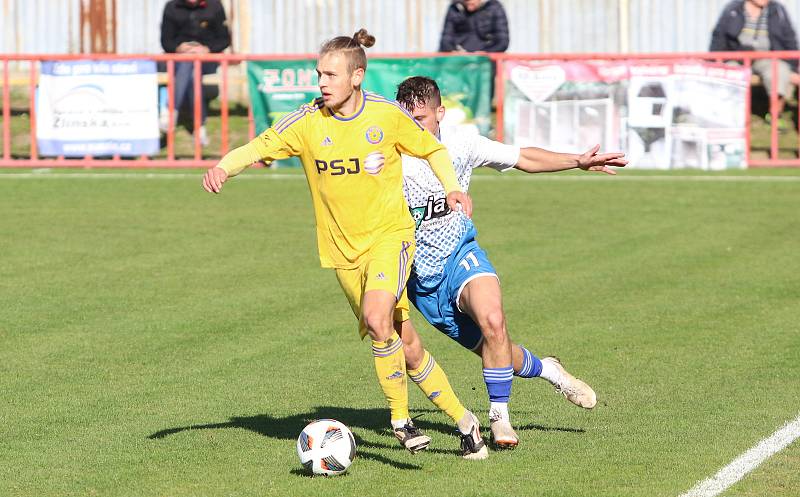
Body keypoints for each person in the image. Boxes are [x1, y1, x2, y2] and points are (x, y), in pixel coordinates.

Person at [202, 30, 490, 460]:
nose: (321, 83)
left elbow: (433, 149)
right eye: (319, 74)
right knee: (405, 345)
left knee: (378, 317)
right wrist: (224, 167)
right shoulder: (305, 122)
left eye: (330, 74)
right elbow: (260, 144)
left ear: (357, 76)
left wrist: (452, 188)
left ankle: (400, 421)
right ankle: (466, 422)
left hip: (391, 239)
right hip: (341, 254)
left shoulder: (386, 115)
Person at [395, 76, 627, 448]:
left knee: (493, 321)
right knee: (498, 349)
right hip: (420, 281)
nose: (412, 128)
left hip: (461, 255)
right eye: (405, 120)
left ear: (440, 113)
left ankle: (499, 418)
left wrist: (577, 161)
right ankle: (551, 371)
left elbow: (523, 158)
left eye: (420, 119)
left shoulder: (461, 143)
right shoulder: (389, 156)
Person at [710, 0, 800, 129]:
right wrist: (715, 62)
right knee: (731, 72)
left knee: (778, 71)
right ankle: (733, 116)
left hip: (767, 58)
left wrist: (792, 66)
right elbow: (718, 37)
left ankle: (775, 115)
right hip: (737, 57)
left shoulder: (778, 10)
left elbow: (790, 39)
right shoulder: (732, 9)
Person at [160, 0, 231, 145]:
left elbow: (224, 39)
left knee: (192, 64)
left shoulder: (214, 6)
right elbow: (166, 41)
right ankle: (200, 126)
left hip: (207, 61)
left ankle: (171, 110)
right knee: (190, 66)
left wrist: (207, 49)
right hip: (179, 61)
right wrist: (179, 48)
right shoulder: (172, 7)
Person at [439, 0, 510, 53]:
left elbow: (502, 42)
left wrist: (486, 53)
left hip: (487, 60)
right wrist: (453, 51)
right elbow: (446, 40)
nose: (468, 5)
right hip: (459, 60)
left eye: (471, 2)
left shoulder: (494, 8)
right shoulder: (455, 8)